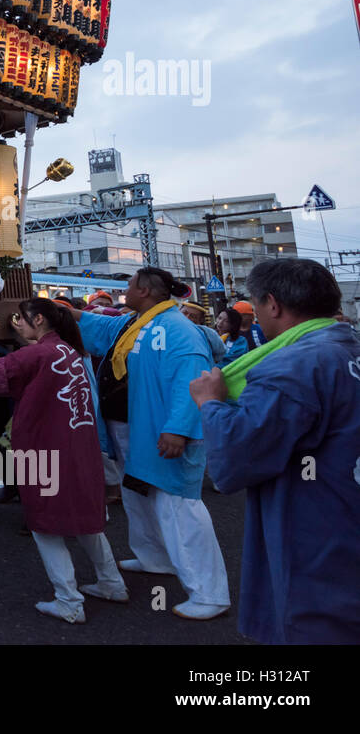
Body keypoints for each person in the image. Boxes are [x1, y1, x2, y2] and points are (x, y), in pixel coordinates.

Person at [192, 259, 360, 643]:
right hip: (345, 501)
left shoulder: (290, 365)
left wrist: (210, 404)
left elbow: (239, 456)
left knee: (316, 622)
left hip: (317, 525)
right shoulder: (344, 346)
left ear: (272, 304)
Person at [70, 267, 230, 620]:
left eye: (128, 284)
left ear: (144, 289)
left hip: (164, 433)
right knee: (140, 495)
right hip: (139, 430)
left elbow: (193, 379)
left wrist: (178, 429)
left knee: (179, 509)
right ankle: (154, 558)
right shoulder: (137, 322)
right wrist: (65, 314)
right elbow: (98, 328)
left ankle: (209, 594)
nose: (125, 289)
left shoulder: (179, 329)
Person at [0, 300, 126, 623]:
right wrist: (22, 335)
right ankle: (111, 582)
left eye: (21, 319)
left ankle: (69, 600)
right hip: (80, 448)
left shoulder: (40, 353)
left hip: (48, 448)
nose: (17, 324)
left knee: (45, 525)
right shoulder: (67, 350)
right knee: (86, 520)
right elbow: (34, 357)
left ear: (38, 319)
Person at [180, 301, 226, 366]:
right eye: (184, 313)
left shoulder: (209, 333)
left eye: (193, 316)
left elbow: (222, 354)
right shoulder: (168, 329)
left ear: (200, 320)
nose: (187, 317)